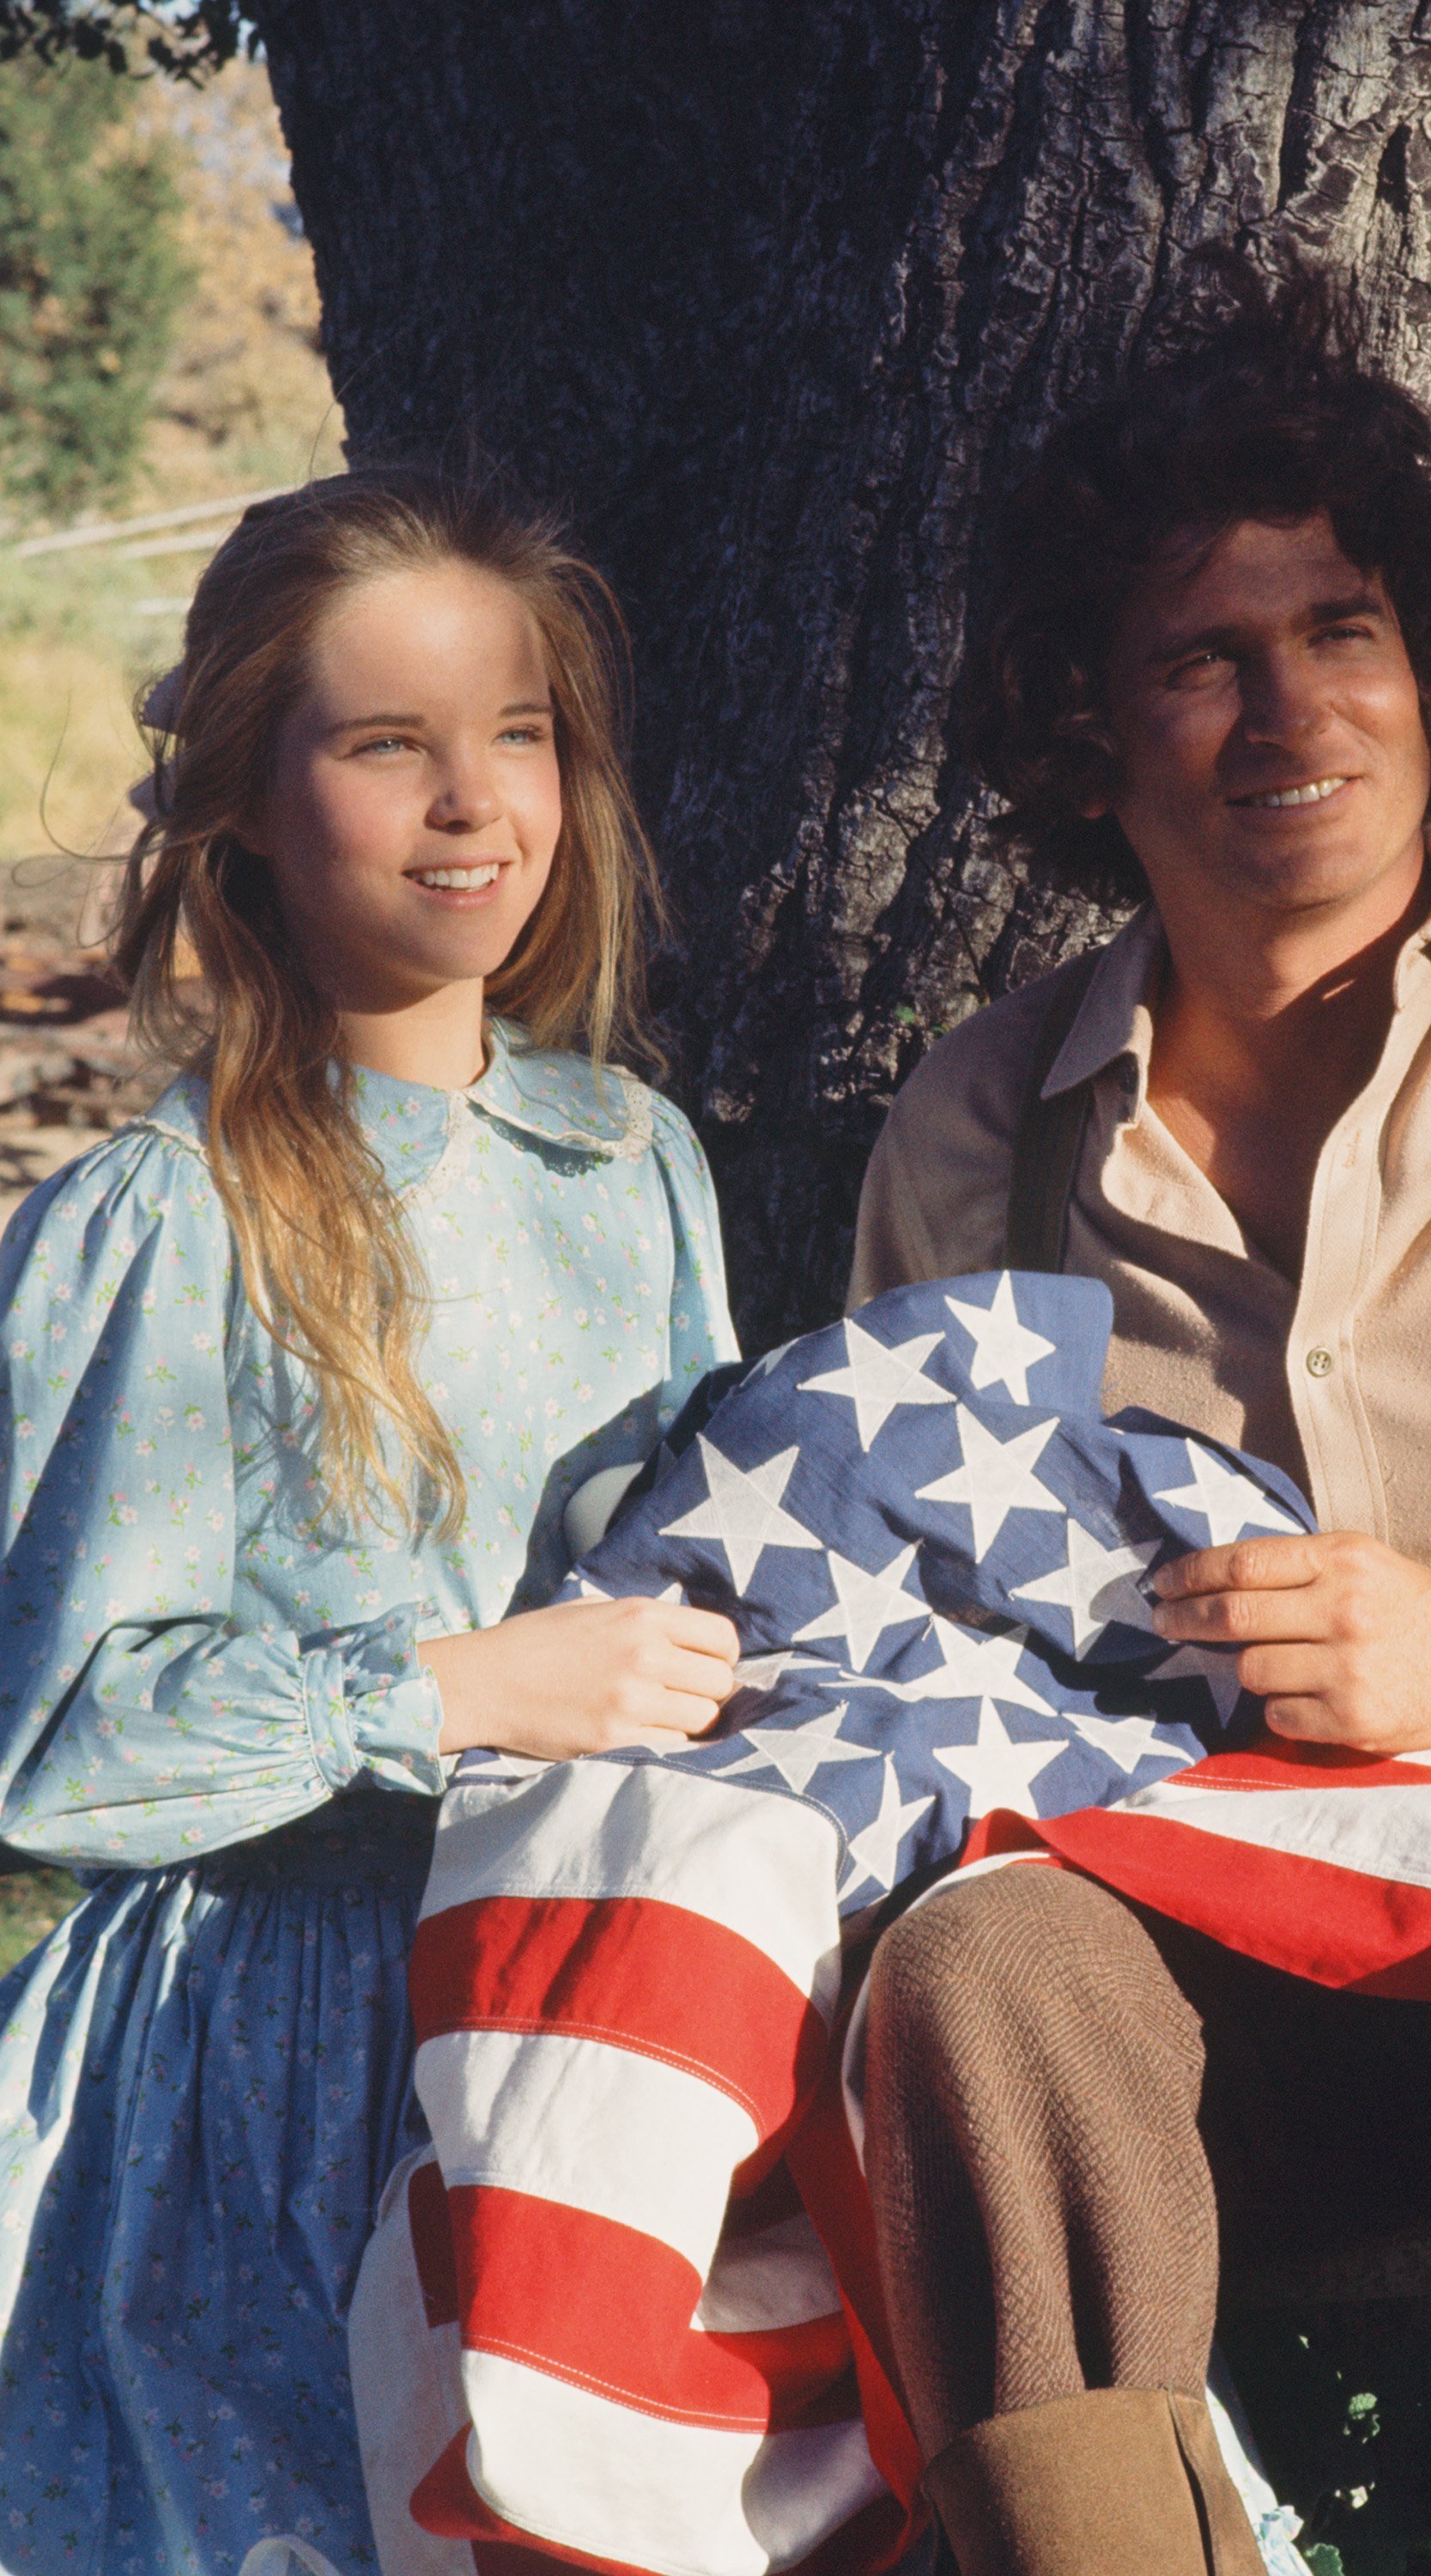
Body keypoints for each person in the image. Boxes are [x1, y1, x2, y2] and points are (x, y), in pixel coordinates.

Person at [848, 257, 1431, 2576]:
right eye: (1196, 656)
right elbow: (905, 1640)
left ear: (1422, 675)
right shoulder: (984, 1121)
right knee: (972, 1968)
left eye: (1335, 631)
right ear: (1082, 736)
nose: (1283, 708)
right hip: (1198, 1977)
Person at [0, 469, 741, 2572]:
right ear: (244, 791)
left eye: (518, 734)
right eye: (384, 744)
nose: (470, 805)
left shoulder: (632, 1159)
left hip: (595, 1999)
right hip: (278, 2058)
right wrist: (448, 1687)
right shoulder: (166, 1219)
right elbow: (56, 1744)